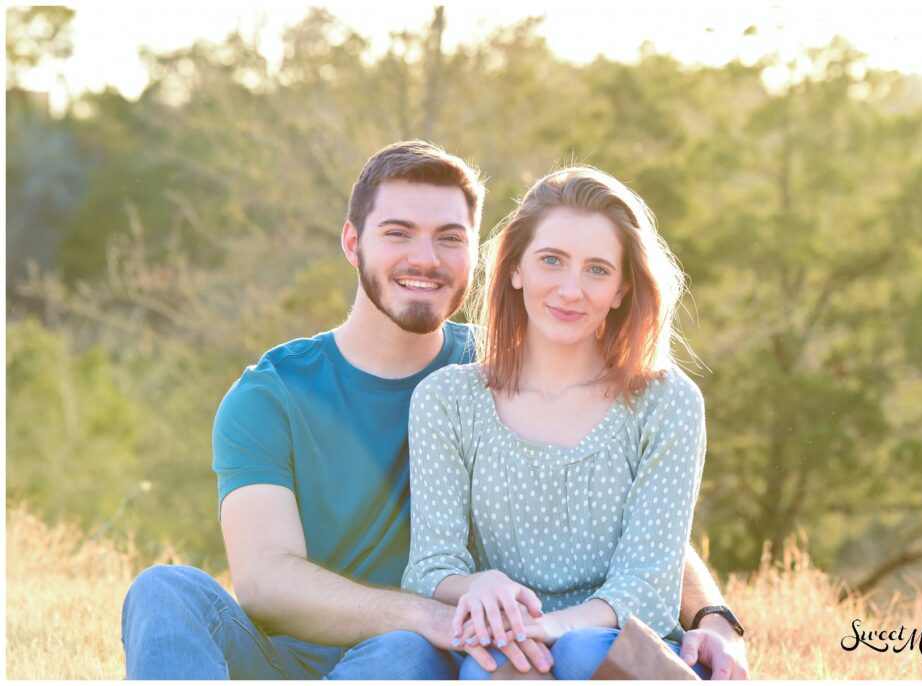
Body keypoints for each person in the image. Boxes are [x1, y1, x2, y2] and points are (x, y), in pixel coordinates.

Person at [120, 141, 748, 680]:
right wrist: (434, 614)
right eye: (397, 233)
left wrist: (714, 617)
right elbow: (264, 581)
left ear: (479, 258)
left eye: (449, 238)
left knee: (401, 655)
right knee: (163, 590)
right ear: (351, 241)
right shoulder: (272, 394)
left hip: (410, 661)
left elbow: (612, 516)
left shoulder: (512, 366)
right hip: (309, 652)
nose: (425, 258)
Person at [399, 166, 724, 680]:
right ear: (515, 269)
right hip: (502, 644)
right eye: (552, 261)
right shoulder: (447, 400)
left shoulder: (667, 403)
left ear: (621, 289)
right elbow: (431, 568)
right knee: (500, 668)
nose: (571, 289)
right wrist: (480, 586)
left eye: (597, 270)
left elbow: (646, 586)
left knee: (580, 652)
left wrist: (553, 628)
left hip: (619, 650)